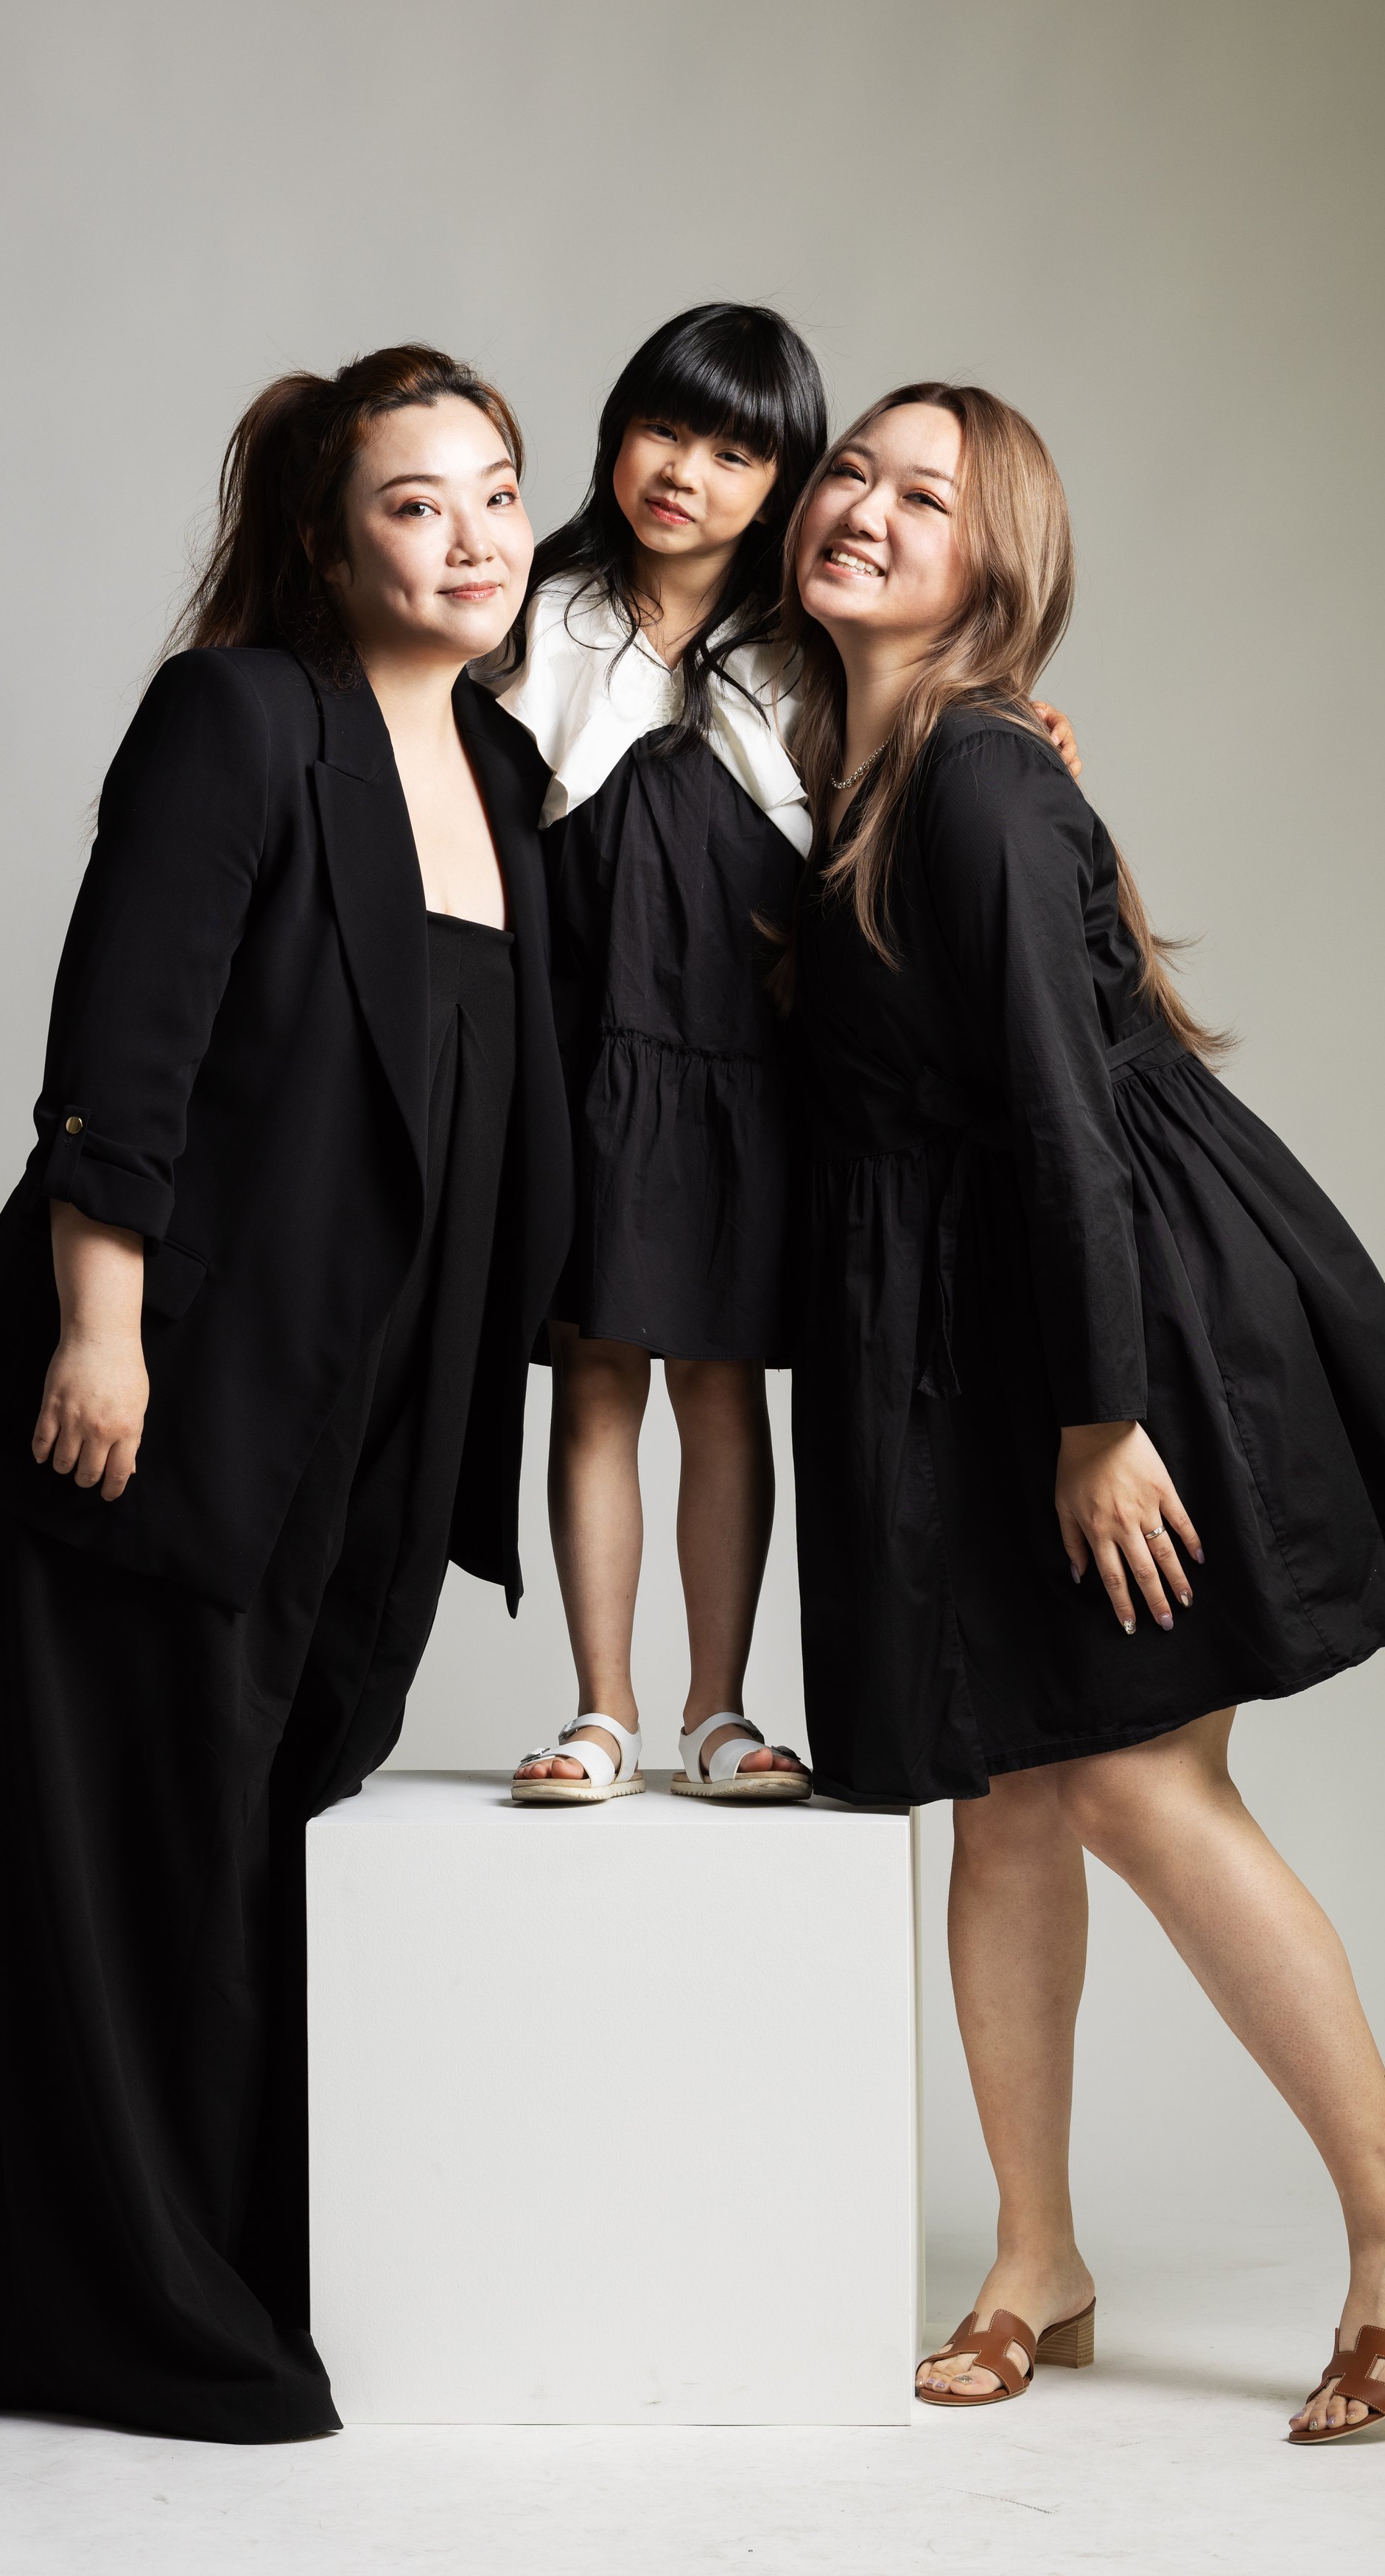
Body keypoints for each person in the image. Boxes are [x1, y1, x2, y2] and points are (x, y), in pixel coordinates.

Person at [782, 380, 1385, 2440]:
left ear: (993, 569)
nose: (859, 505)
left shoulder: (970, 783)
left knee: (1133, 1783)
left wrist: (1103, 1419)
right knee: (1009, 1790)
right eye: (850, 468)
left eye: (918, 497)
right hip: (991, 1331)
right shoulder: (862, 762)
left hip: (1108, 1327)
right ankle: (1036, 2251)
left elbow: (1052, 1113)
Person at [0, 347, 571, 2442]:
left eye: (494, 492)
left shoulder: (502, 771)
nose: (468, 538)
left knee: (254, 1842)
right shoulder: (241, 717)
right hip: (167, 1384)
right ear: (323, 532)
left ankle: (224, 2268)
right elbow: (128, 1023)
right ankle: (115, 2321)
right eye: (412, 503)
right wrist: (100, 1323)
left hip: (358, 1420)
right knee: (127, 1855)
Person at [491, 303, 1081, 1802]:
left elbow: (920, 767)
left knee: (720, 1384)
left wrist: (1032, 739)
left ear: (783, 480)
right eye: (661, 429)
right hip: (583, 1062)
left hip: (754, 1074)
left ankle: (717, 1708)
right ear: (614, 431)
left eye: (736, 449)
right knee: (596, 1376)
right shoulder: (535, 617)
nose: (684, 471)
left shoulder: (802, 646)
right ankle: (600, 1707)